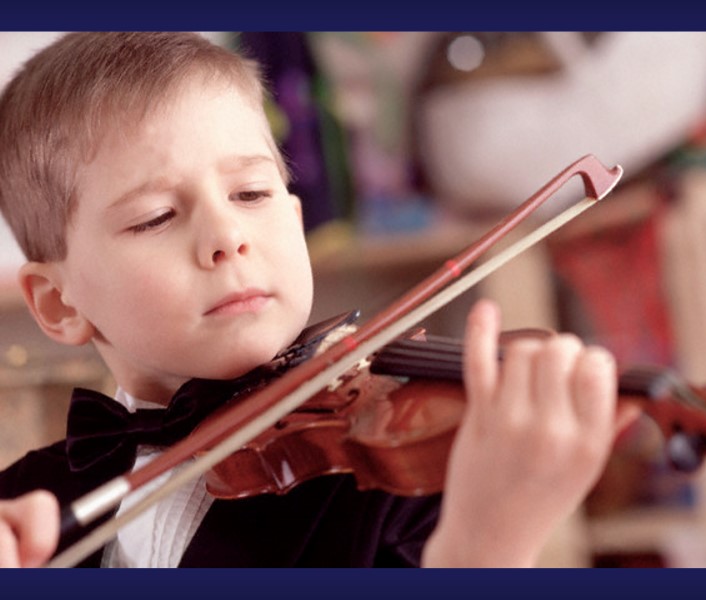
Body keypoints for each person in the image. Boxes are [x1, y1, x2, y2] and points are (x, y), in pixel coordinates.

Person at [0, 32, 630, 568]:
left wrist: (484, 547)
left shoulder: (391, 482)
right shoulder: (28, 507)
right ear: (58, 304)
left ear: (296, 223)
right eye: (156, 217)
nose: (228, 237)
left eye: (251, 194)